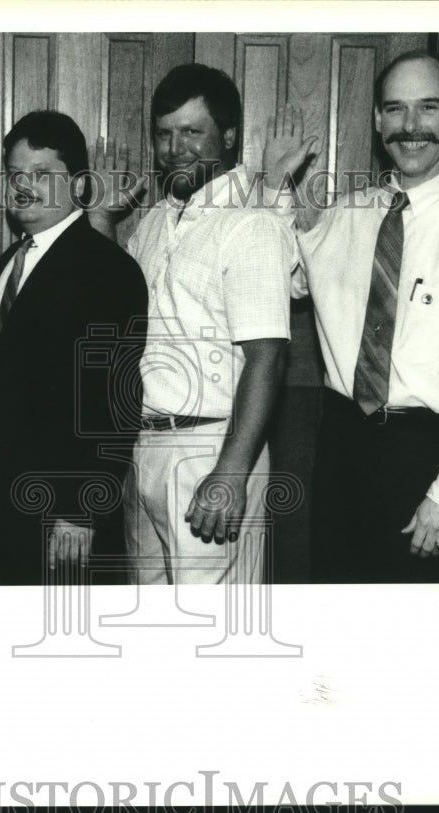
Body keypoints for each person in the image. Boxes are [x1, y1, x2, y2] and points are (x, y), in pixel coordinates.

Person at [265, 50, 439, 582]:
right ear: (376, 121)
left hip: (431, 458)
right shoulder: (345, 215)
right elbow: (270, 274)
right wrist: (275, 185)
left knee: (421, 640)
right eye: (395, 110)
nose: (410, 127)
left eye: (428, 107)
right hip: (341, 448)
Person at [0, 110, 147, 586]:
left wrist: (83, 506)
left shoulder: (106, 269)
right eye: (17, 174)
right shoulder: (18, 256)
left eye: (42, 175)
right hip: (4, 498)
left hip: (61, 511)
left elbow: (116, 398)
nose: (25, 186)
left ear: (78, 184)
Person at [91, 64, 298, 585]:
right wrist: (101, 221)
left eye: (191, 132)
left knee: (210, 632)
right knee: (152, 621)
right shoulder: (157, 220)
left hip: (212, 449)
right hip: (146, 446)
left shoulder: (252, 226)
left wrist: (231, 472)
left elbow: (267, 357)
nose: (174, 148)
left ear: (227, 136)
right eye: (164, 133)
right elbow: (119, 310)